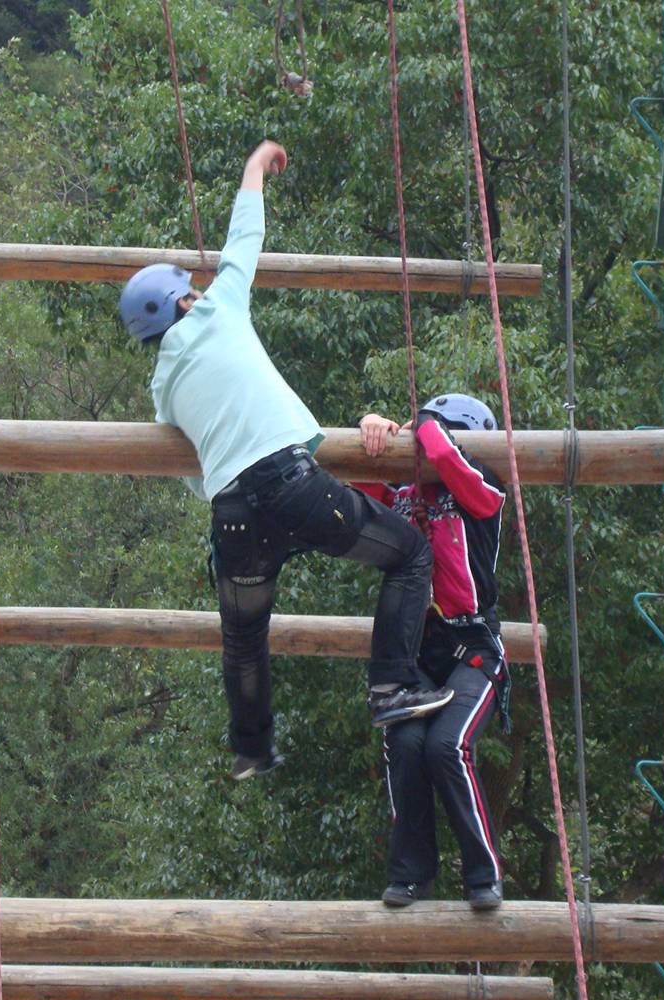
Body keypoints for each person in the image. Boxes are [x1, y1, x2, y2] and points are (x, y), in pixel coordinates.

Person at [119, 140, 453, 781]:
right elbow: (245, 237)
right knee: (409, 554)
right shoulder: (218, 310)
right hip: (291, 484)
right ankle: (391, 687)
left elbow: (193, 473)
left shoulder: (163, 389)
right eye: (190, 289)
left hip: (232, 512)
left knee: (245, 636)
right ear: (184, 301)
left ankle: (251, 747)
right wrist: (252, 166)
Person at [357, 395, 510, 910]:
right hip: (416, 652)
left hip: (472, 647)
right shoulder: (402, 494)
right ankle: (411, 875)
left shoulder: (483, 487)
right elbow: (353, 486)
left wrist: (424, 426)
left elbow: (446, 457)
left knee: (447, 746)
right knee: (405, 746)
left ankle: (482, 875)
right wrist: (372, 430)